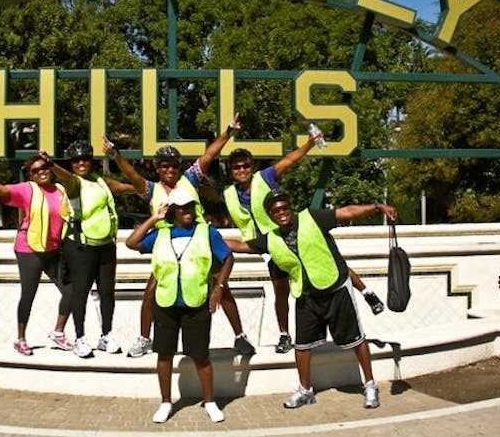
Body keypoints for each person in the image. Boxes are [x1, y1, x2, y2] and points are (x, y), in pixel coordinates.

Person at [227, 189, 397, 410]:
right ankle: (306, 391)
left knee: (356, 339)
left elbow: (346, 212)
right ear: (270, 215)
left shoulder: (312, 217)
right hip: (306, 296)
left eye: (284, 207)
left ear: (290, 206)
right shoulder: (270, 239)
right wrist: (206, 238)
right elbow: (240, 246)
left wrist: (377, 206)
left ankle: (370, 384)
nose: (281, 212)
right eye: (276, 210)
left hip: (335, 288)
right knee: (302, 346)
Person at [104, 113, 256, 357]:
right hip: (167, 247)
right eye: (164, 165)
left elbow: (209, 154)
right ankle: (144, 338)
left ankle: (240, 336)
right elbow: (131, 174)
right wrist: (115, 155)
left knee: (220, 285)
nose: (169, 169)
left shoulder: (191, 178)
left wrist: (228, 131)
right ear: (157, 168)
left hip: (198, 242)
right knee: (151, 291)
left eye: (173, 164)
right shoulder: (151, 189)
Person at [224, 145, 385, 354]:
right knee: (280, 291)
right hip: (269, 245)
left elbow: (290, 160)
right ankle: (284, 334)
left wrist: (309, 143)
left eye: (245, 165)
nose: (242, 170)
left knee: (329, 264)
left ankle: (367, 292)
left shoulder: (265, 177)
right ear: (230, 171)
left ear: (251, 165)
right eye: (236, 167)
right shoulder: (228, 194)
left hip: (288, 232)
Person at [125, 189, 233, 423]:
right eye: (182, 207)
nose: (188, 211)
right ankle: (165, 402)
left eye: (191, 207)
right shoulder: (160, 234)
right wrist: (154, 218)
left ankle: (210, 401)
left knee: (201, 355)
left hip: (196, 302)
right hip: (165, 302)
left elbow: (227, 258)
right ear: (173, 211)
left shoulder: (207, 232)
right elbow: (131, 243)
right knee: (164, 354)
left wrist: (219, 287)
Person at [0, 156, 74, 356]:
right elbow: (3, 190)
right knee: (28, 294)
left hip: (53, 250)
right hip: (28, 249)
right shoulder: (27, 189)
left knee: (71, 291)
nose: (41, 172)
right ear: (31, 175)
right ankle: (20, 339)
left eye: (44, 167)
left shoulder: (61, 190)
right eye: (36, 170)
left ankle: (58, 333)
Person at [38, 142, 136, 359]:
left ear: (91, 161)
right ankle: (80, 338)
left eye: (85, 159)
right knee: (81, 292)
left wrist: (143, 189)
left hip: (105, 245)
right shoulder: (74, 183)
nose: (81, 163)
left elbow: (119, 187)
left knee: (107, 292)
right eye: (75, 160)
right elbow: (66, 177)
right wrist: (51, 164)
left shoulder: (99, 181)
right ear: (71, 164)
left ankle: (106, 335)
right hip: (81, 246)